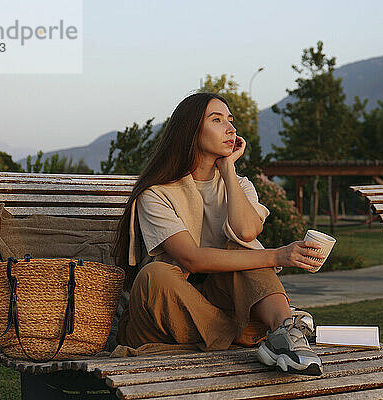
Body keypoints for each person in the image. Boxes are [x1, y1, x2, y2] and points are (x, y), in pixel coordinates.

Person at [112, 92, 325, 375]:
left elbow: (246, 231)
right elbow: (192, 260)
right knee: (155, 275)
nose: (231, 129)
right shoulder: (157, 193)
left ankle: (284, 331)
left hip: (215, 302)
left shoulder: (239, 185)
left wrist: (228, 168)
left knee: (243, 250)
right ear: (191, 131)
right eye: (217, 120)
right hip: (165, 313)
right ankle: (252, 332)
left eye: (230, 120)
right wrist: (278, 255)